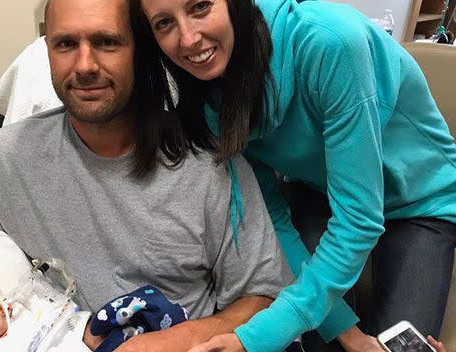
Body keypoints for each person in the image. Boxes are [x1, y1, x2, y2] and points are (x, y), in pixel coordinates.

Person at [0, 0, 293, 350]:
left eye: (107, 42)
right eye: (66, 44)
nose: (85, 65)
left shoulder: (208, 165)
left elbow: (266, 298)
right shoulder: (10, 159)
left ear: (141, 51)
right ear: (47, 49)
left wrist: (171, 342)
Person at [129, 0, 456, 351]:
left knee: (399, 345)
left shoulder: (331, 43)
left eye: (200, 6)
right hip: (324, 191)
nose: (189, 39)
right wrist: (350, 335)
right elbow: (272, 218)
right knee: (314, 337)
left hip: (421, 200)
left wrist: (253, 339)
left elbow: (359, 220)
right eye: (164, 23)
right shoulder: (207, 99)